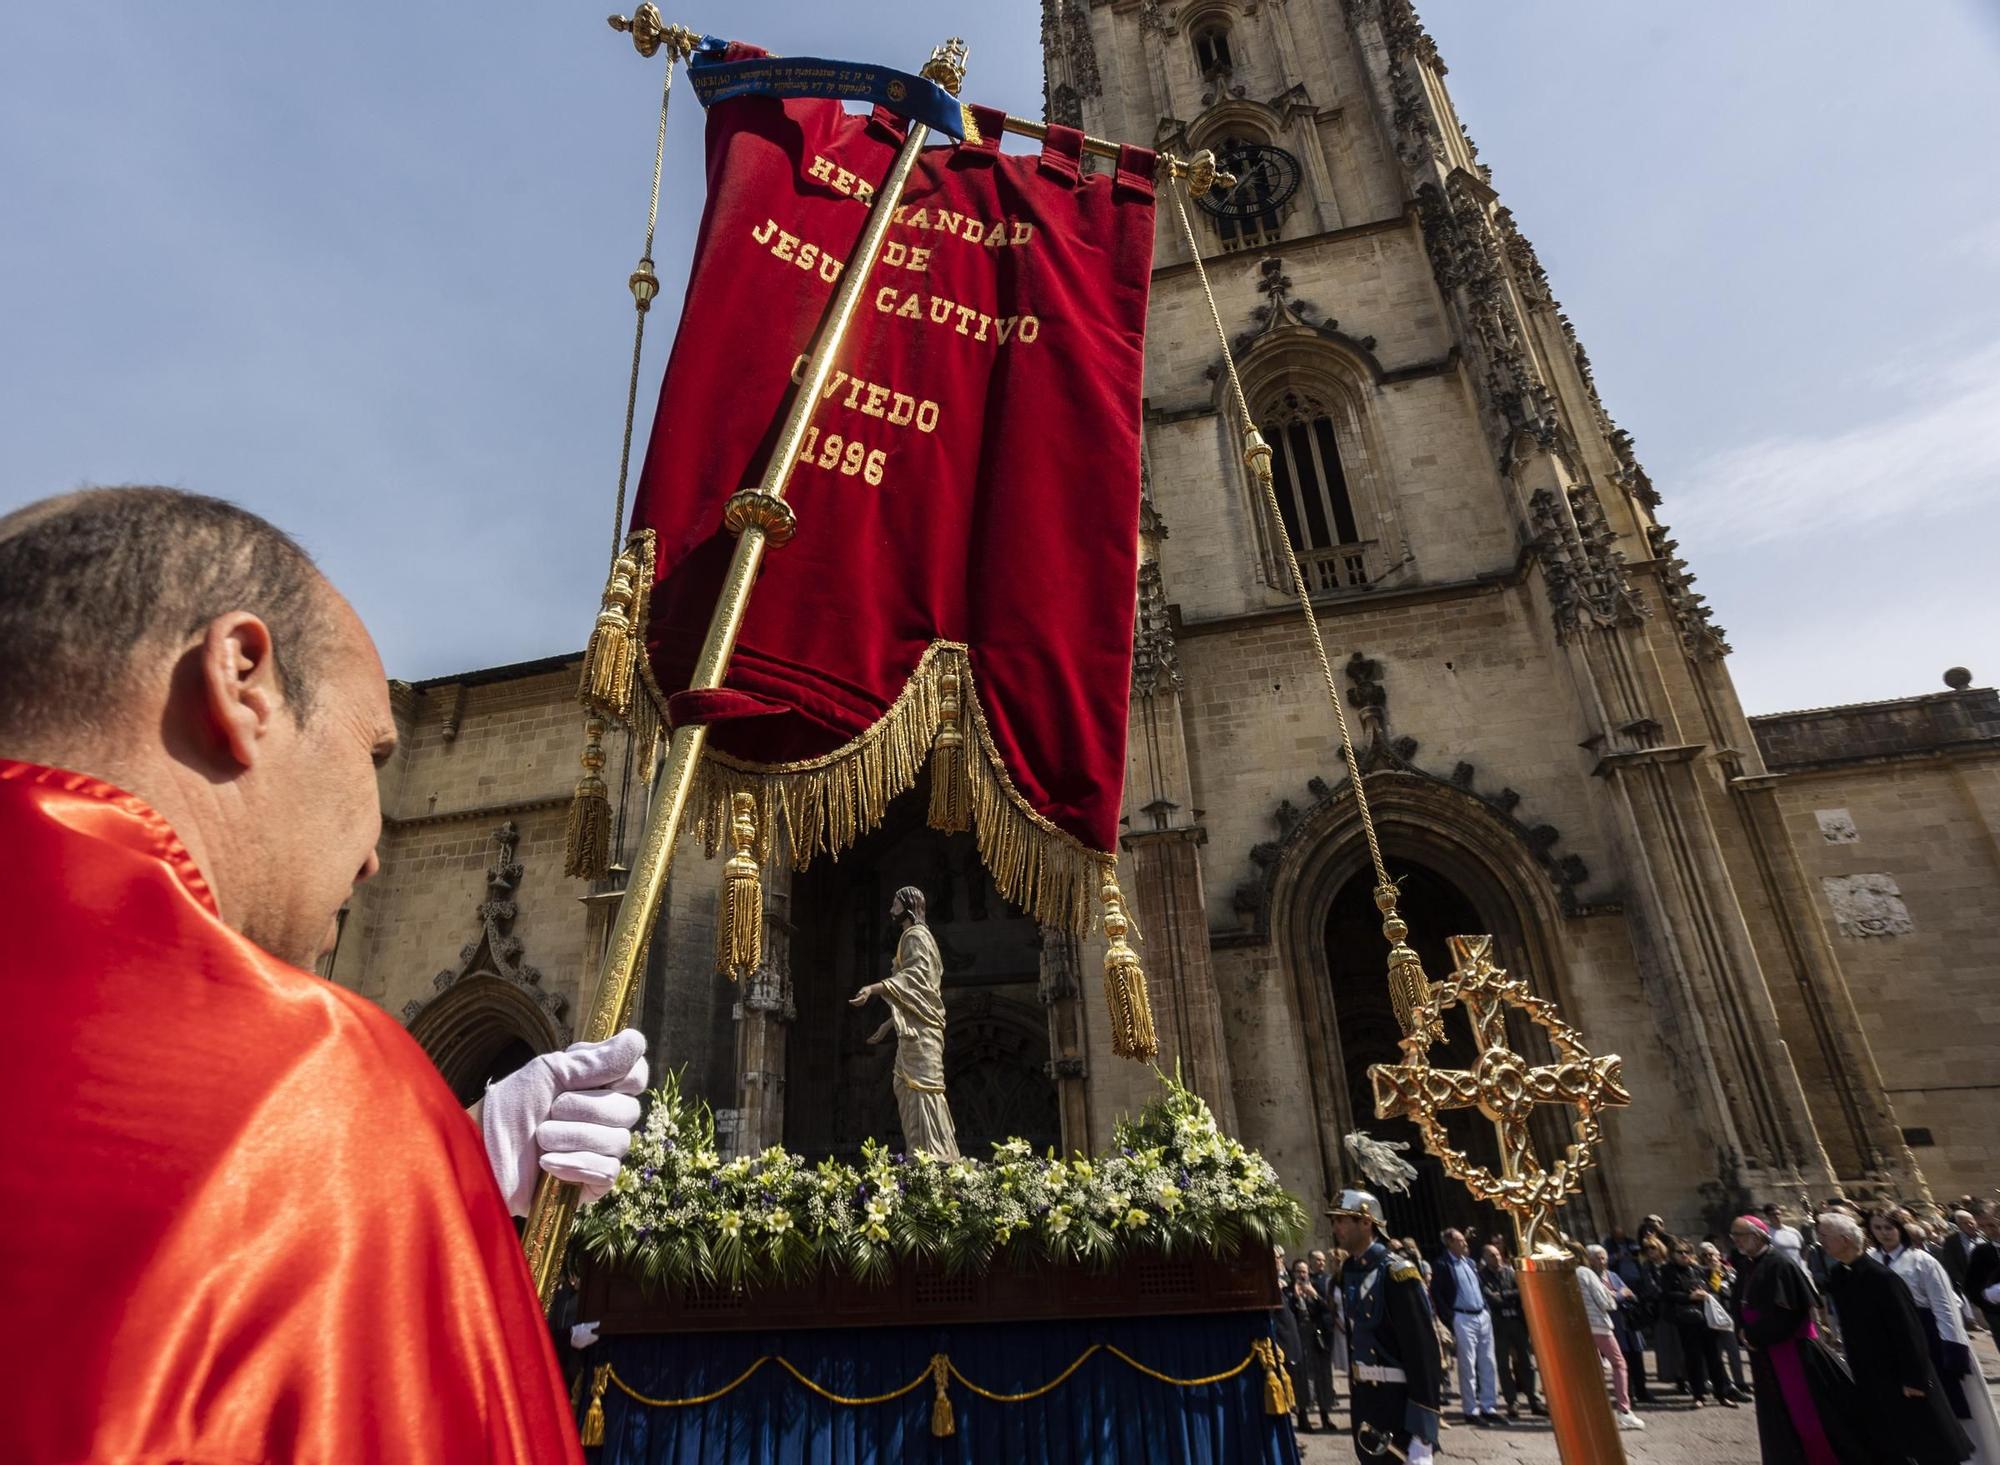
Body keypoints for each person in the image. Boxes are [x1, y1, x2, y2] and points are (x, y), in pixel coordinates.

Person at [0, 487, 648, 1462]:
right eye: (375, 754)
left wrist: (442, 1175)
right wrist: (390, 1184)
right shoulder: (314, 1079)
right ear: (243, 678)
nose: (377, 844)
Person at [1817, 1212, 1970, 1465]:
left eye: (1825, 1236)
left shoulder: (1882, 1278)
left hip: (1901, 1374)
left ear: (1845, 1239)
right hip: (1870, 1372)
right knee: (1892, 1440)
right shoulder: (1841, 1276)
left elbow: (1908, 1330)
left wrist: (1914, 1378)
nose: (1820, 1242)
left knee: (1926, 1440)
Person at [1732, 1214, 1868, 1464]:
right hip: (1765, 1350)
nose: (1736, 1241)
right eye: (1734, 1236)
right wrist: (1742, 1330)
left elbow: (1789, 1313)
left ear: (1757, 1235)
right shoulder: (1747, 1264)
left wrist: (1752, 1335)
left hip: (1792, 1352)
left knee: (1809, 1416)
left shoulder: (1780, 1264)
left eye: (1739, 1235)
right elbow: (1738, 1304)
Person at [1872, 1207, 2000, 1461]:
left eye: (1889, 1227)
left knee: (1955, 1403)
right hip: (1900, 1340)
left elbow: (1945, 1306)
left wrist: (1953, 1348)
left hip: (1933, 1336)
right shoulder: (1872, 1260)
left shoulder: (1922, 1260)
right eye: (1877, 1228)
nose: (1884, 1233)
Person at [850, 885, 960, 1159]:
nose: (890, 910)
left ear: (908, 906)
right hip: (916, 1029)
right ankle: (921, 1149)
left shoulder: (915, 935)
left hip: (922, 1033)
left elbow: (916, 979)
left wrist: (872, 989)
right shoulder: (912, 937)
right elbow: (916, 997)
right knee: (905, 1085)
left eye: (895, 904)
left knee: (922, 1087)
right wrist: (888, 1026)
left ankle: (933, 1151)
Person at [1333, 1190, 1442, 1464]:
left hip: (1398, 1401)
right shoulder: (1349, 1272)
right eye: (1334, 1221)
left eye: (1343, 1220)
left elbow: (1423, 1353)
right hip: (1367, 1402)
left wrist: (1423, 1431)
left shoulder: (1398, 1273)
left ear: (1366, 1223)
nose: (1336, 1227)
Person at [1431, 1227, 1507, 1427]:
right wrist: (1450, 1317)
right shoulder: (1442, 1265)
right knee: (1468, 1365)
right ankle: (1471, 1410)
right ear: (1449, 1243)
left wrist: (1486, 1310)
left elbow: (1479, 1288)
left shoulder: (1471, 1263)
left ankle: (1489, 1407)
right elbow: (1437, 1293)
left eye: (1464, 1240)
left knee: (1488, 1362)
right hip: (1462, 1317)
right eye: (1460, 1240)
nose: (1465, 1243)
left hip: (1481, 1315)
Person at [1662, 1236, 1742, 1407]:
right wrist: (1688, 1296)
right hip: (1687, 1320)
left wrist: (1707, 1290)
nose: (1684, 1255)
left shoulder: (1698, 1269)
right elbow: (1667, 1294)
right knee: (1693, 1359)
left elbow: (1714, 1289)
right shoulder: (1668, 1271)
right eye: (1680, 1252)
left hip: (1705, 1319)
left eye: (1687, 1252)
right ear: (1672, 1254)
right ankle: (1698, 1396)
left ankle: (1722, 1394)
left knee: (1715, 1358)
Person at [1580, 1246, 1647, 1431]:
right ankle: (1624, 1411)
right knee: (1619, 1364)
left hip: (1584, 1327)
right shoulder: (1587, 1274)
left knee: (1595, 1368)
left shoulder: (1572, 1275)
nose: (1602, 1261)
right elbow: (1606, 1302)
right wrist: (1617, 1295)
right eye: (1597, 1258)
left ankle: (1597, 1410)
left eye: (1604, 1257)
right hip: (1599, 1324)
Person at [1478, 1242, 1543, 1417]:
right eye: (1492, 1255)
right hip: (1498, 1324)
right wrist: (1506, 1296)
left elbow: (1521, 1291)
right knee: (1503, 1364)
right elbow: (1489, 1297)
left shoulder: (1509, 1272)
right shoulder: (1481, 1276)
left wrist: (1504, 1295)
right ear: (1484, 1258)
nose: (1496, 1257)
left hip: (1516, 1321)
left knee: (1527, 1363)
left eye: (1498, 1254)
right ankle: (1511, 1401)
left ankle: (1534, 1399)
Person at [1700, 1240, 1753, 1397]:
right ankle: (1723, 1383)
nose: (1710, 1258)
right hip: (1711, 1317)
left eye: (1712, 1254)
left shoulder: (1729, 1271)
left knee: (1733, 1351)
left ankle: (1740, 1382)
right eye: (1705, 1255)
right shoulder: (1702, 1273)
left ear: (1718, 1255)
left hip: (1728, 1315)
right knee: (1716, 1353)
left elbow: (1736, 1290)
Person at [1289, 1258, 1336, 1431]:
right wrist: (1295, 1297)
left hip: (1317, 1338)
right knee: (1302, 1379)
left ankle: (1325, 1416)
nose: (1301, 1275)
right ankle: (1303, 1418)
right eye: (1298, 1271)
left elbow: (1328, 1309)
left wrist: (1314, 1295)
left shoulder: (1316, 1286)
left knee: (1321, 1377)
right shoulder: (1289, 1291)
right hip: (1299, 1338)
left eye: (1304, 1271)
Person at [1640, 1233, 1685, 1393]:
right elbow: (1651, 1287)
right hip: (1662, 1310)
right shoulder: (1647, 1266)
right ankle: (1677, 1378)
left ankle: (1687, 1377)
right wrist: (1667, 1293)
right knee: (1668, 1345)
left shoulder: (1670, 1264)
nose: (1650, 1251)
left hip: (1678, 1308)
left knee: (1681, 1345)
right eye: (1646, 1249)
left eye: (1652, 1247)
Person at [1307, 1248, 1343, 1422]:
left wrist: (1315, 1296)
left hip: (1326, 1328)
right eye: (1318, 1260)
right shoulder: (1307, 1279)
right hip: (1310, 1328)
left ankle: (1327, 1404)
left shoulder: (1328, 1280)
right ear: (1310, 1261)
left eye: (1323, 1260)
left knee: (1325, 1369)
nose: (1321, 1263)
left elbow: (1331, 1305)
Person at [1966, 1211, 2000, 1338]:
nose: (1988, 1231)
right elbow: (1971, 1286)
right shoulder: (1981, 1252)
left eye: (1992, 1225)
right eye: (1982, 1226)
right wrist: (1987, 1295)